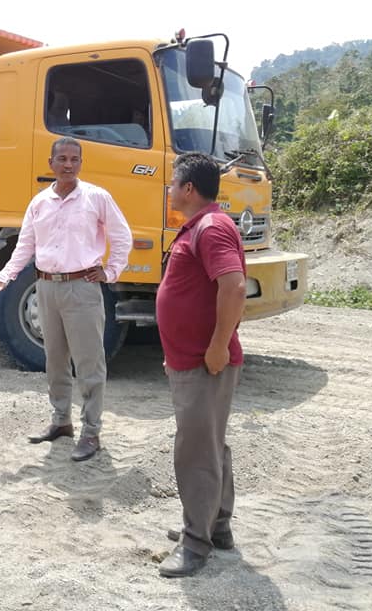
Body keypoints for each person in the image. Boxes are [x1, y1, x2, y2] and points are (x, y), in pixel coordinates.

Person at [0, 137, 131, 462]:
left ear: (81, 163)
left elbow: (122, 236)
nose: (68, 164)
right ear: (50, 163)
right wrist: (5, 276)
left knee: (89, 363)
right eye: (62, 158)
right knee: (55, 360)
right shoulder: (39, 203)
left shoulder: (96, 198)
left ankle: (91, 432)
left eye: (74, 159)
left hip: (82, 288)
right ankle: (61, 421)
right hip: (46, 288)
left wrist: (110, 271)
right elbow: (25, 246)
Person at [156, 151, 246, 578]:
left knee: (195, 452)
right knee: (210, 445)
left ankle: (196, 543)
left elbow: (234, 287)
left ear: (189, 188)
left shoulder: (211, 228)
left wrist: (217, 347)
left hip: (204, 362)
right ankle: (216, 526)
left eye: (173, 184)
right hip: (192, 359)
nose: (170, 190)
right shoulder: (201, 226)